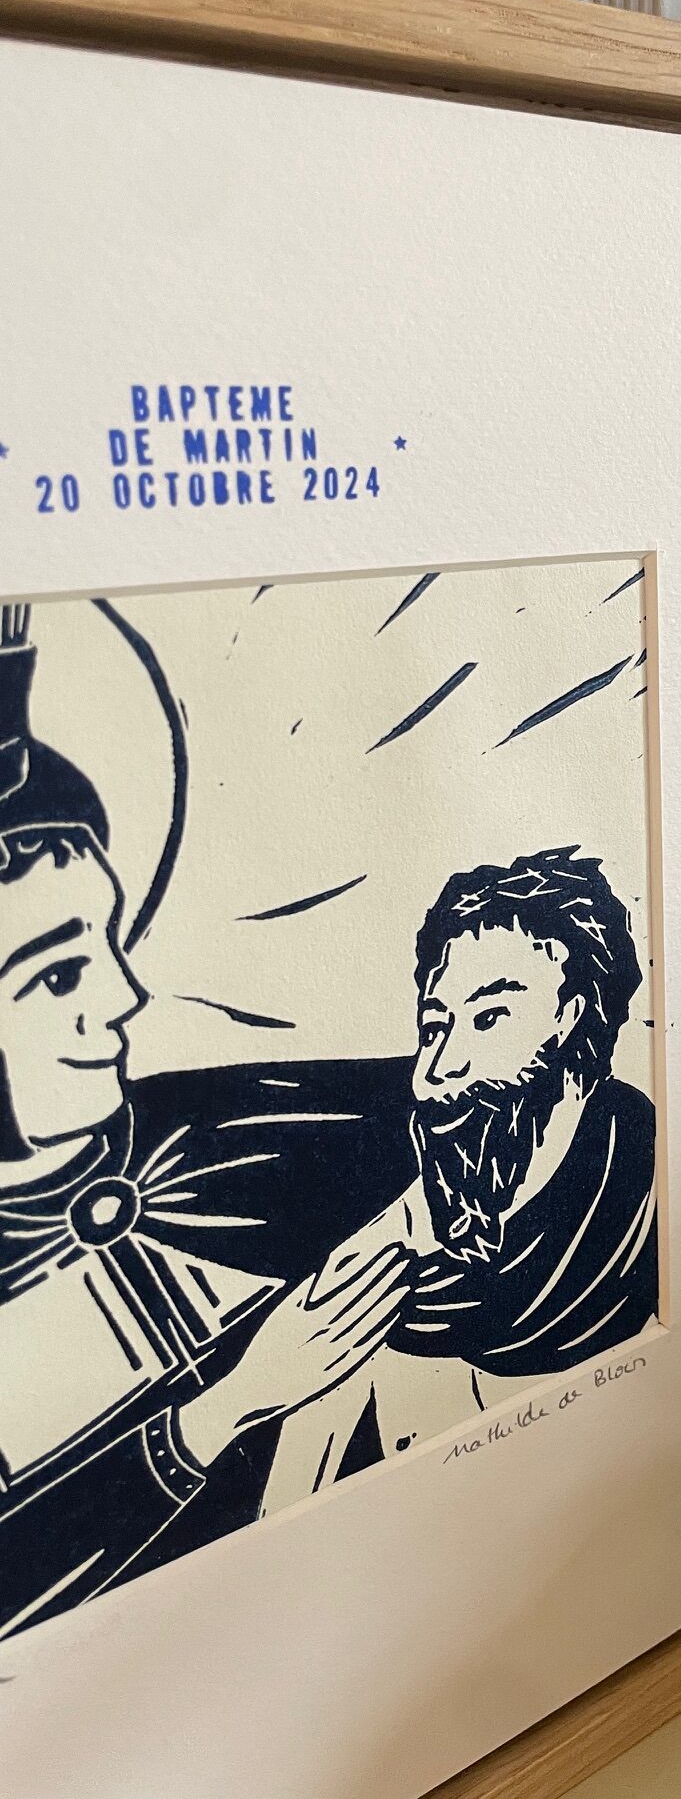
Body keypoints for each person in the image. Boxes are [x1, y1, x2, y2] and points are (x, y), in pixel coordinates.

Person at [0, 606, 417, 1638]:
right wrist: (230, 1405)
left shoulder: (213, 1126)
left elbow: (476, 1114)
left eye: (108, 941)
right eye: (59, 974)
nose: (125, 996)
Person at [262, 849, 658, 1500]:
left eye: (489, 1018)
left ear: (572, 1016)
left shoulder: (645, 1181)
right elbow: (290, 1500)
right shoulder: (380, 1264)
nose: (434, 1072)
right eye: (433, 1027)